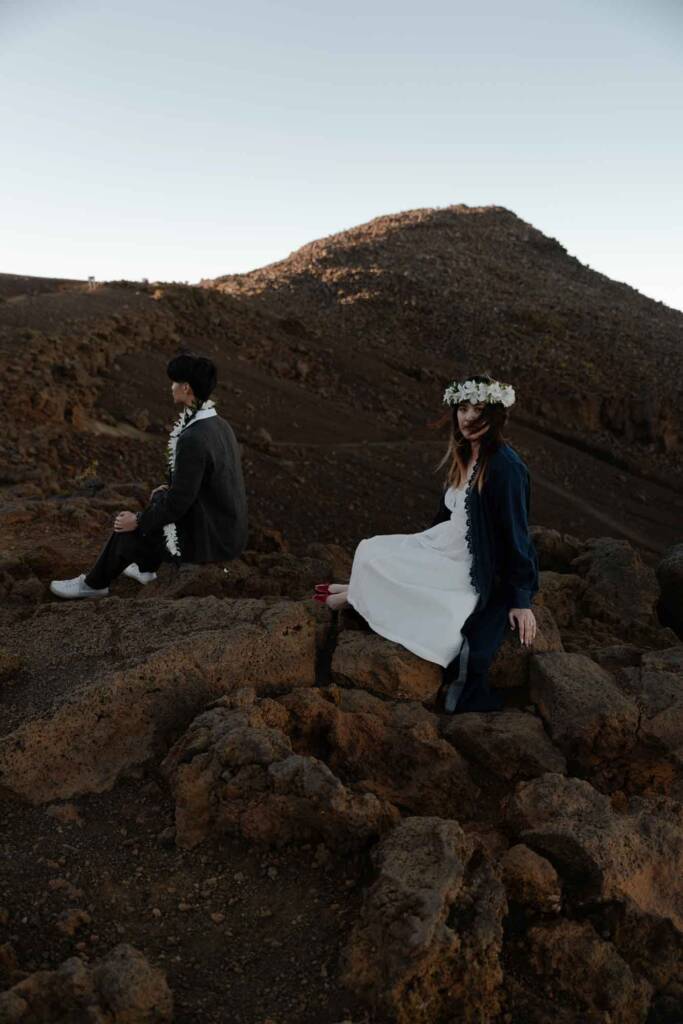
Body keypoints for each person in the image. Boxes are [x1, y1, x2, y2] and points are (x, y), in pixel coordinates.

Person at [313, 374, 538, 713]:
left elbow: (516, 535)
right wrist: (419, 548)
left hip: (470, 562)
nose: (468, 417)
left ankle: (354, 595)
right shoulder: (467, 454)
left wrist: (521, 598)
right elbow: (446, 515)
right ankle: (356, 590)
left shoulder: (506, 468)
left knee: (436, 608)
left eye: (478, 409)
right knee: (371, 550)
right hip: (445, 543)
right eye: (462, 408)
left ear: (495, 415)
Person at [50, 353, 248, 599]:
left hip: (209, 543)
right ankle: (145, 569)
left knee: (126, 531)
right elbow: (207, 481)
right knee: (160, 498)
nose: (171, 387)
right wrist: (169, 491)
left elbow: (178, 505)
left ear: (186, 388)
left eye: (174, 382)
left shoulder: (193, 438)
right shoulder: (220, 425)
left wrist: (139, 521)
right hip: (229, 533)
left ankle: (94, 584)